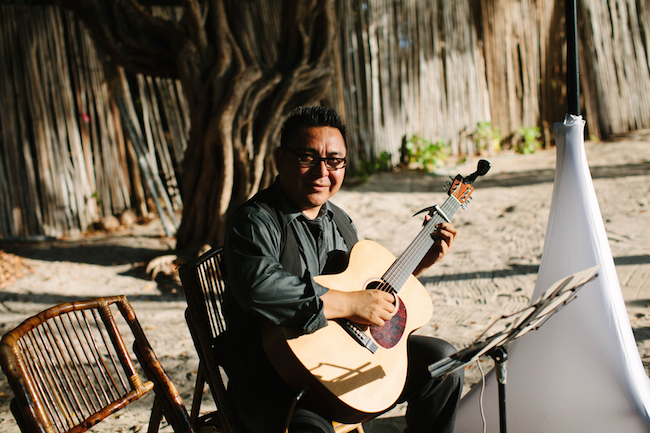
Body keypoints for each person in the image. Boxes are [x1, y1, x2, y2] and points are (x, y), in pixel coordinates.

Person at [222, 106, 463, 433]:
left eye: (334, 160)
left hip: (343, 360)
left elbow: (368, 293)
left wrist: (421, 262)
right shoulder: (255, 220)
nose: (322, 171)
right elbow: (259, 287)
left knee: (443, 364)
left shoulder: (340, 220)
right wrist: (349, 303)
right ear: (280, 158)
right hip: (278, 379)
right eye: (308, 157)